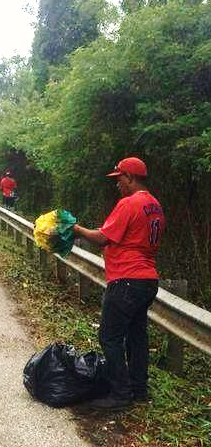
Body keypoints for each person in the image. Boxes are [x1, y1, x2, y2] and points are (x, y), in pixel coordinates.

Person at [72, 157, 165, 410]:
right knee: (137, 336)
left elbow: (103, 238)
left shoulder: (129, 204)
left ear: (131, 178)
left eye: (119, 179)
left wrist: (77, 229)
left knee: (109, 337)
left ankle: (120, 394)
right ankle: (139, 390)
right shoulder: (155, 205)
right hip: (147, 280)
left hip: (126, 279)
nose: (117, 185)